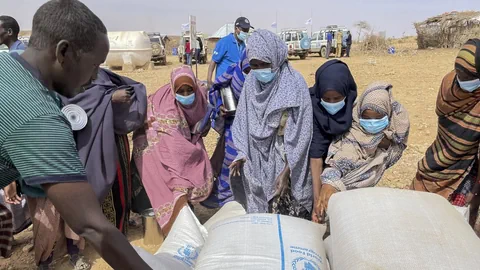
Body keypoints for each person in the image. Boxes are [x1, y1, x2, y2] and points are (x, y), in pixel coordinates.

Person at [0, 1, 149, 269]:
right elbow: (93, 227)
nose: (95, 78)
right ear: (63, 52)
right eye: (94, 65)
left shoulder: (6, 64)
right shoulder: (38, 116)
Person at [23, 68, 147, 269]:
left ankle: (112, 232)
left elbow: (131, 88)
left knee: (117, 184)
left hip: (112, 138)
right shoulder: (61, 79)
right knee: (58, 208)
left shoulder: (103, 74)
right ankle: (51, 255)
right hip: (83, 142)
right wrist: (109, 99)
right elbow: (73, 104)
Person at [230, 29, 313, 219]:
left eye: (264, 64)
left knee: (288, 219)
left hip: (287, 160)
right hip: (257, 161)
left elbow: (301, 133)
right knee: (264, 221)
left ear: (276, 58)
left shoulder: (294, 84)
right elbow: (242, 121)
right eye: (254, 65)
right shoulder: (251, 82)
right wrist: (242, 152)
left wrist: (287, 170)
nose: (259, 70)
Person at [133, 66, 213, 236]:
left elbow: (200, 126)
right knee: (176, 178)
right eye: (180, 91)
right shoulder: (166, 107)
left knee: (188, 162)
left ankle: (184, 209)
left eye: (188, 90)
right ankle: (176, 222)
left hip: (180, 138)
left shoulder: (200, 97)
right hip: (152, 140)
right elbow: (176, 152)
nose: (185, 95)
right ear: (173, 89)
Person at [411, 39, 480, 236]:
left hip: (465, 171)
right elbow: (446, 123)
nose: (462, 79)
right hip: (437, 159)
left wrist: (475, 192)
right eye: (459, 72)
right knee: (417, 216)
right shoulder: (449, 83)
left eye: (469, 75)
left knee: (450, 227)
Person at [317, 83, 410, 220]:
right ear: (359, 113)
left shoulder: (391, 135)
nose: (372, 123)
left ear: (388, 115)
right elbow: (339, 161)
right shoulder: (353, 135)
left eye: (378, 118)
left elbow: (398, 143)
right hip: (340, 194)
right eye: (366, 117)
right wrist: (329, 184)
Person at [309, 60, 357, 222]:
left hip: (347, 164)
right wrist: (317, 200)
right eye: (326, 99)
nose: (331, 103)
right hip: (318, 162)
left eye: (337, 98)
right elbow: (315, 155)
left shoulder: (357, 108)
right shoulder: (313, 106)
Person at [201, 50, 251, 209]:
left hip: (258, 138)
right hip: (233, 132)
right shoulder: (233, 77)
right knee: (230, 170)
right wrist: (220, 109)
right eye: (249, 70)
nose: (253, 74)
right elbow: (215, 95)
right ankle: (228, 207)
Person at [207, 17, 253, 88]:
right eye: (244, 30)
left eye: (247, 31)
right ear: (236, 29)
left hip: (236, 83)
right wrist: (209, 80)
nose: (246, 33)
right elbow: (213, 61)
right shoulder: (224, 42)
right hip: (223, 83)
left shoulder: (243, 45)